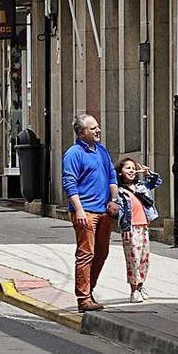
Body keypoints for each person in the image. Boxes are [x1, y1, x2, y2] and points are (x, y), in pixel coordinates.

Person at [61, 113, 120, 312]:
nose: (98, 130)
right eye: (93, 128)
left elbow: (112, 176)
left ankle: (90, 291)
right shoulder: (73, 153)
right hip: (86, 211)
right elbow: (69, 183)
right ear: (82, 132)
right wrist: (78, 210)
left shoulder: (101, 151)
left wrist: (114, 200)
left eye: (98, 127)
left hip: (104, 212)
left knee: (102, 253)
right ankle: (83, 298)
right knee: (86, 254)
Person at [115, 158, 161, 303]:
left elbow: (156, 182)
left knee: (144, 259)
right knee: (133, 259)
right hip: (130, 228)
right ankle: (134, 290)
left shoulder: (141, 186)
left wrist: (148, 173)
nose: (131, 170)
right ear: (120, 172)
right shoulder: (120, 191)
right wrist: (124, 227)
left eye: (133, 168)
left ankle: (141, 286)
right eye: (127, 168)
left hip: (143, 227)